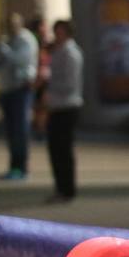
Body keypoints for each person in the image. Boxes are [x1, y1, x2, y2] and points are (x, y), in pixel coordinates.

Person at [0, 12, 38, 181]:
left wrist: (3, 49)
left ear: (20, 23)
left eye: (13, 23)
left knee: (20, 131)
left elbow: (19, 60)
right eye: (8, 23)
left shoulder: (26, 40)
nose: (10, 26)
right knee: (11, 132)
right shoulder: (6, 40)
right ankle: (13, 167)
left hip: (21, 90)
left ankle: (22, 168)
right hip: (7, 90)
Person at [45, 20, 83, 202]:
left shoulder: (71, 53)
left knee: (63, 150)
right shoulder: (59, 51)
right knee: (55, 149)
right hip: (57, 105)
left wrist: (49, 87)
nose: (56, 35)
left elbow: (69, 83)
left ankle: (67, 189)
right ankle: (61, 187)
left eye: (59, 32)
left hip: (67, 106)